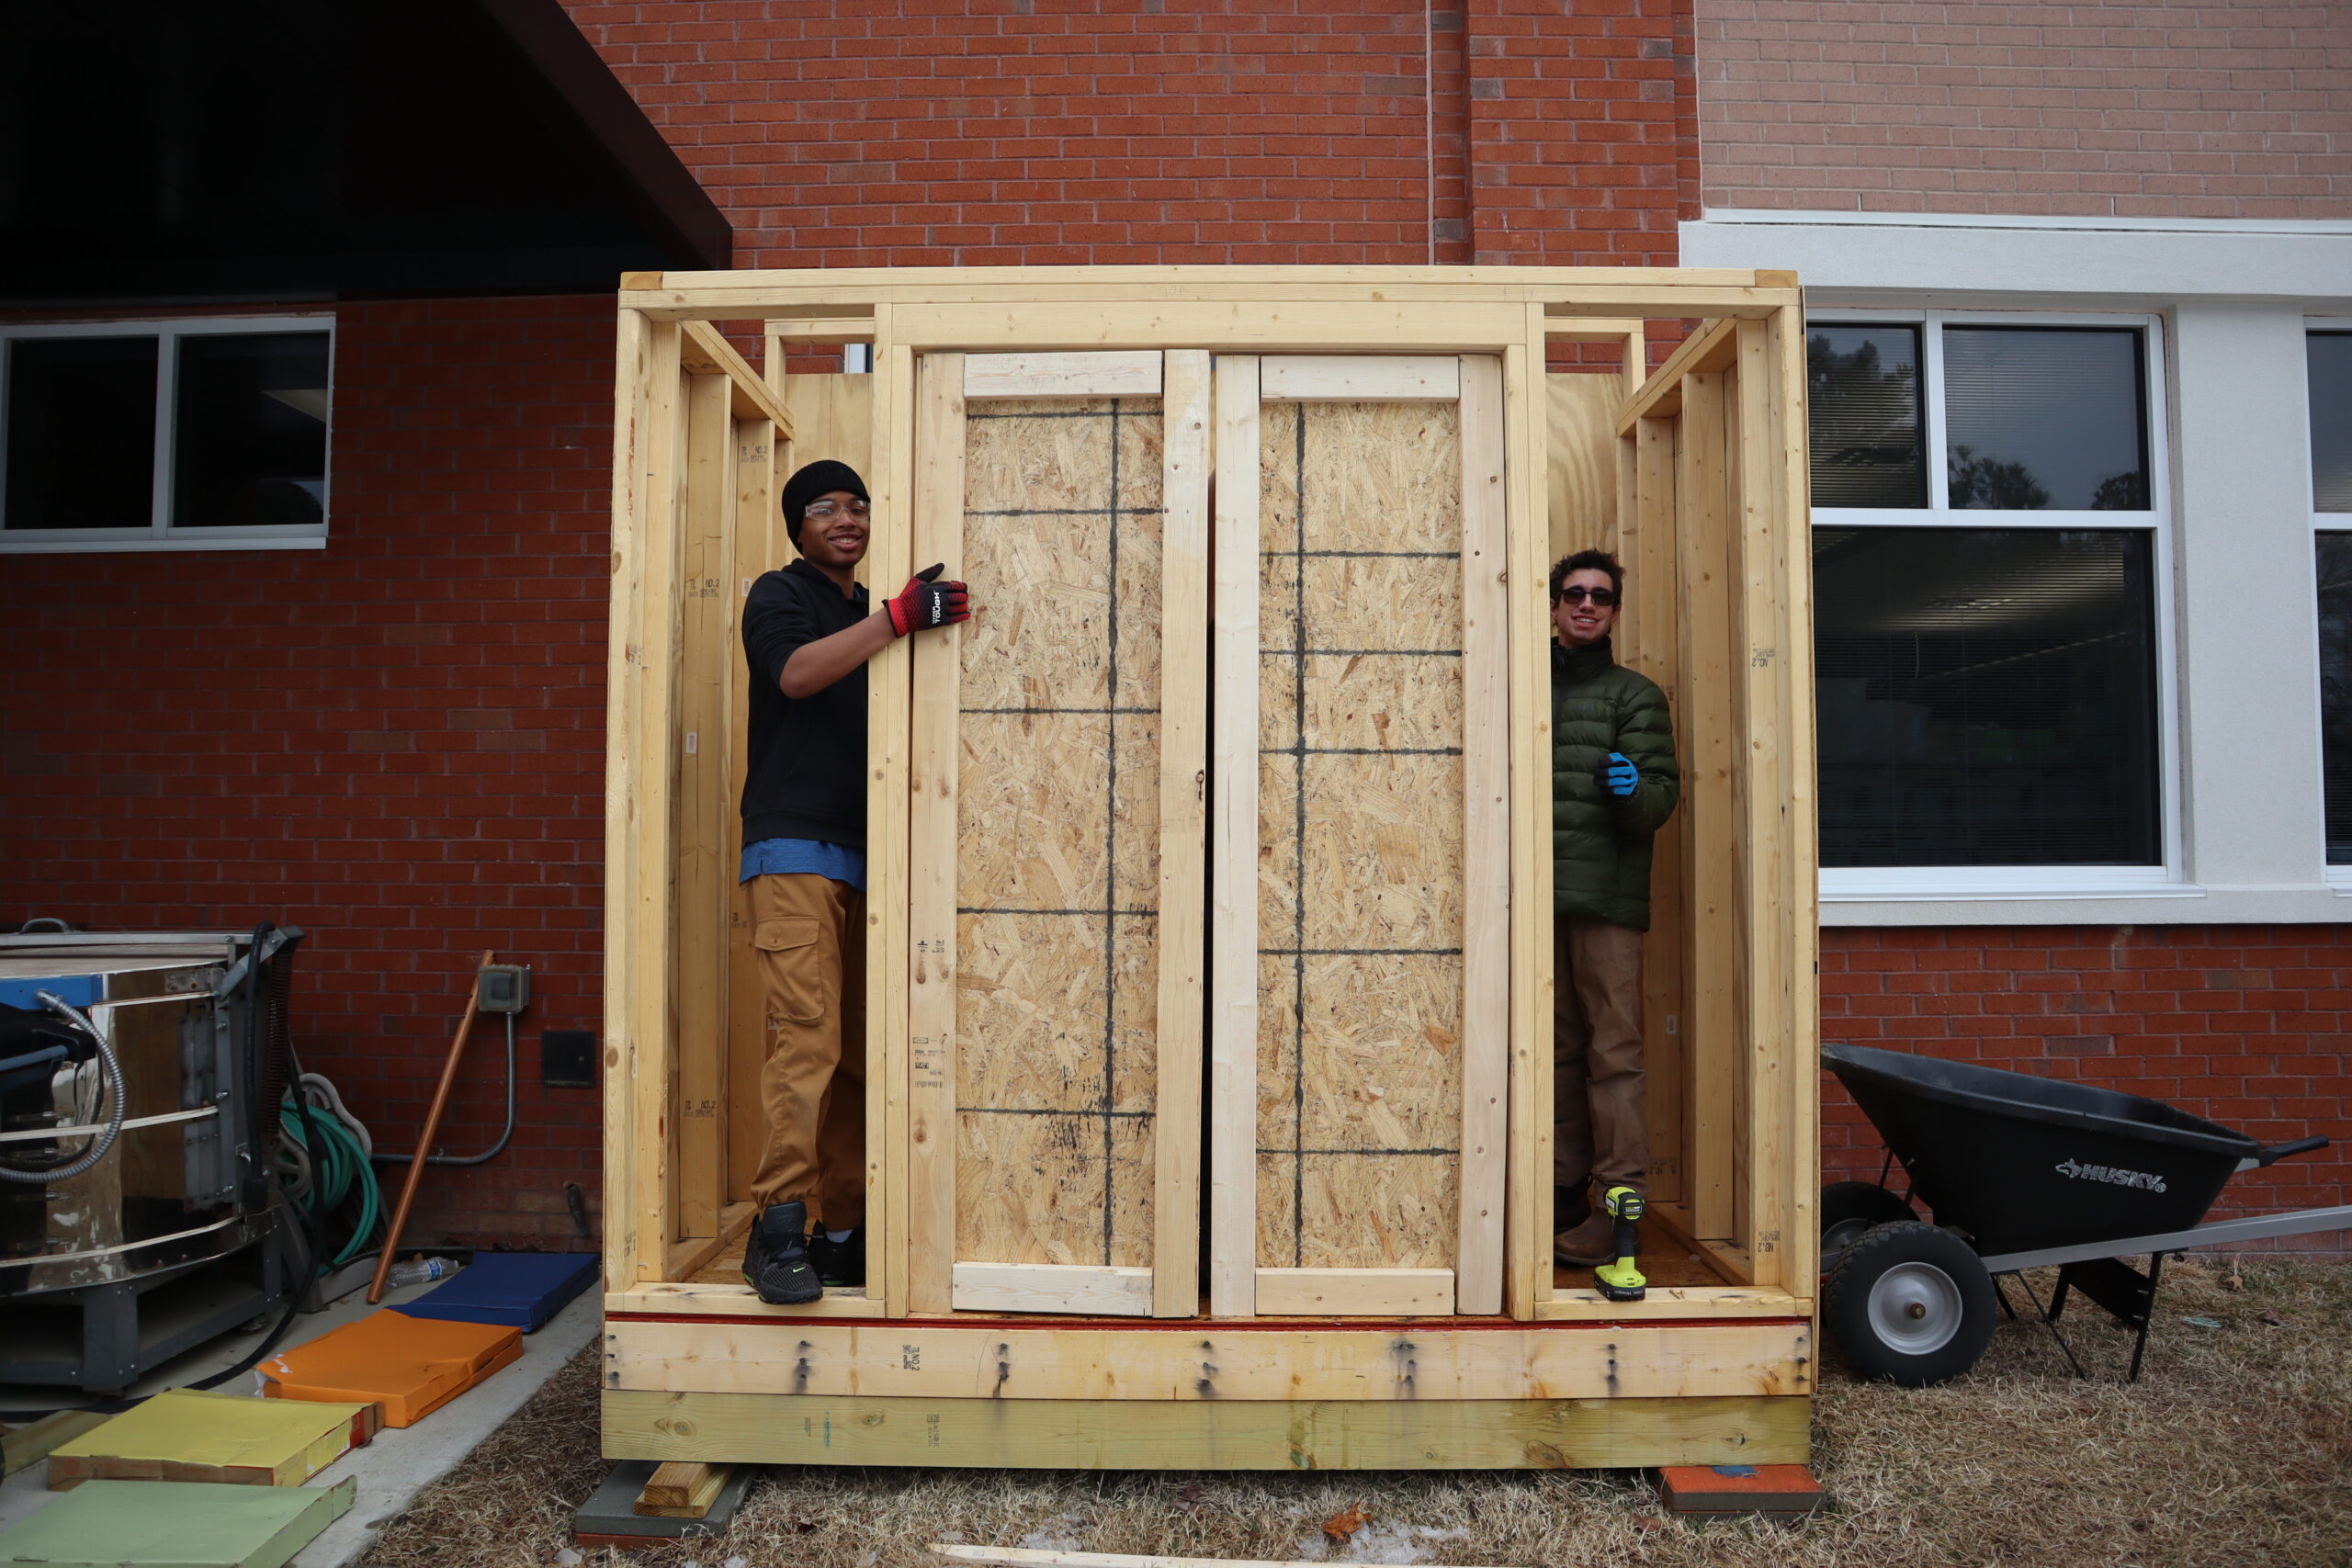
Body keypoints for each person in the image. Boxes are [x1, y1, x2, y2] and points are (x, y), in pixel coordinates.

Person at [737, 458, 969, 1304]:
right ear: (799, 527)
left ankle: (839, 1234)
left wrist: (902, 622)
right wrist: (898, 618)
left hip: (872, 853)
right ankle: (777, 1232)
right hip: (793, 847)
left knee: (858, 1056)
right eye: (826, 507)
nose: (847, 517)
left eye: (859, 505)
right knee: (808, 1044)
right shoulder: (780, 594)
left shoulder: (858, 610)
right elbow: (796, 674)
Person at [1547, 548, 1679, 1269]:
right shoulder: (1527, 683)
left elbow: (1658, 802)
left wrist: (1633, 788)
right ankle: (1564, 1190)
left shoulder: (1636, 696)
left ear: (1615, 611)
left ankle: (1618, 1205)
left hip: (1605, 904)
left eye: (1601, 596)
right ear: (1556, 604)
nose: (1587, 604)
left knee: (1613, 1054)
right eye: (1575, 593)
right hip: (1538, 900)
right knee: (1558, 1052)